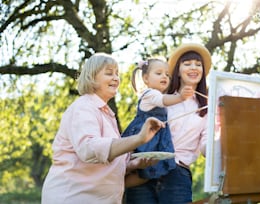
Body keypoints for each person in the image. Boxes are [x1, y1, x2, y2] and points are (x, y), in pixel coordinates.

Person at [41, 53, 165, 204]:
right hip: (73, 197)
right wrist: (138, 138)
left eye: (117, 74)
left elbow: (105, 163)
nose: (115, 78)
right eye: (109, 73)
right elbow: (89, 149)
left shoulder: (106, 114)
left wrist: (133, 164)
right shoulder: (84, 107)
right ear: (92, 77)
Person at [124, 43, 212, 204]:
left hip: (177, 173)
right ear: (177, 70)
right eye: (187, 64)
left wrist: (218, 146)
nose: (193, 68)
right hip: (145, 165)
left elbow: (206, 143)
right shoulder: (161, 96)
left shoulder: (207, 106)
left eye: (198, 65)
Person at [122, 58, 194, 188]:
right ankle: (117, 186)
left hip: (154, 139)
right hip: (145, 137)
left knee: (145, 175)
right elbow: (164, 100)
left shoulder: (157, 94)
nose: (164, 76)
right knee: (141, 172)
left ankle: (118, 186)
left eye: (167, 74)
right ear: (145, 78)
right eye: (159, 73)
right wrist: (181, 97)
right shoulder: (150, 94)